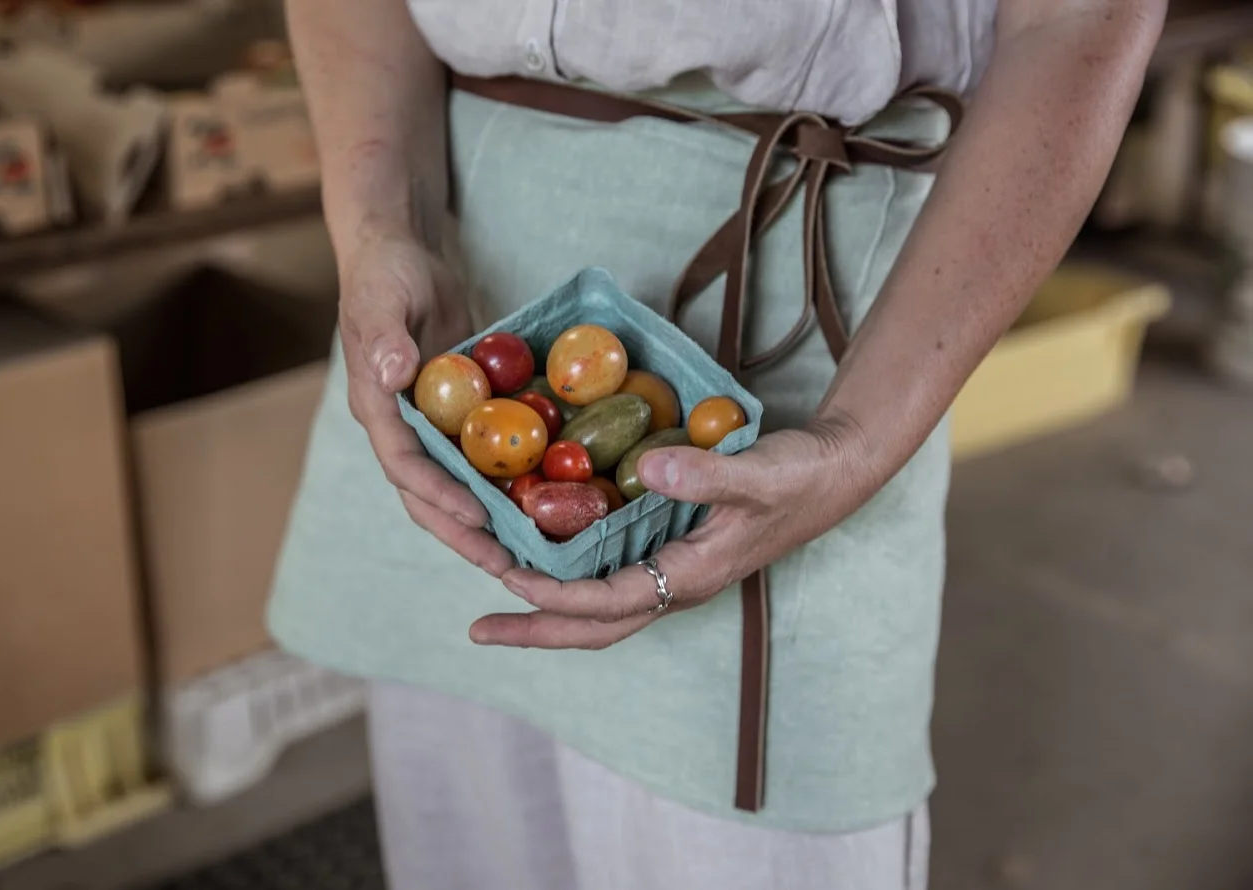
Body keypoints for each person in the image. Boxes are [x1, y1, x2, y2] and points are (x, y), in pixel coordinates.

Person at [267, 1, 1165, 887]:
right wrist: (386, 224)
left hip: (810, 348)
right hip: (457, 302)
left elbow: (1079, 21)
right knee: (468, 833)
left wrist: (856, 440)